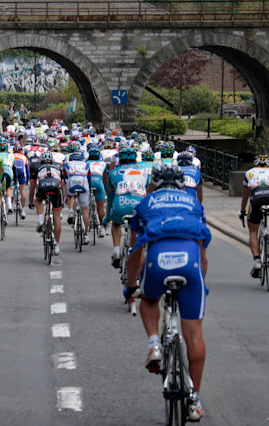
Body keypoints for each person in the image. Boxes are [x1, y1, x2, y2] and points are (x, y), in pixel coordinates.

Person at [124, 165, 210, 422]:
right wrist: (200, 284)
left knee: (148, 300)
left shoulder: (146, 203)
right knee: (194, 334)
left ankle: (154, 344)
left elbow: (135, 252)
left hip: (158, 263)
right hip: (191, 265)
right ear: (182, 186)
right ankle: (194, 398)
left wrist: (131, 286)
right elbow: (203, 254)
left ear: (153, 186)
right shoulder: (194, 204)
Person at [105, 147, 149, 268]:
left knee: (116, 223)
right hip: (139, 207)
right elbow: (149, 194)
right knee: (138, 245)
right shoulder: (144, 171)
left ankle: (117, 251)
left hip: (120, 206)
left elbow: (109, 198)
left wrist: (108, 216)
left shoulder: (113, 173)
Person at [239, 154, 269, 278]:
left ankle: (257, 261)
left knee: (253, 231)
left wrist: (242, 211)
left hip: (256, 197)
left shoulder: (249, 173)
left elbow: (245, 196)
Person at [32, 150, 67, 256]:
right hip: (56, 190)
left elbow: (33, 186)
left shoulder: (36, 167)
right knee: (57, 217)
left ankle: (40, 220)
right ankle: (56, 245)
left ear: (41, 161)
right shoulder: (59, 167)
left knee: (38, 200)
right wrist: (63, 200)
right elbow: (62, 185)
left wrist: (31, 201)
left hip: (43, 188)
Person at [65, 150, 91, 245]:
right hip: (84, 184)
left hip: (72, 182)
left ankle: (71, 210)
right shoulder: (86, 164)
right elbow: (89, 178)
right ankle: (85, 234)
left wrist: (65, 195)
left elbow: (64, 178)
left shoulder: (68, 164)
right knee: (85, 209)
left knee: (70, 195)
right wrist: (90, 192)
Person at [86, 145, 108, 238]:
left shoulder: (85, 163)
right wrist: (105, 188)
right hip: (98, 184)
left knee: (84, 209)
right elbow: (105, 179)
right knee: (101, 207)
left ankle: (85, 231)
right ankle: (102, 228)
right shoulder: (103, 164)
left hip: (88, 184)